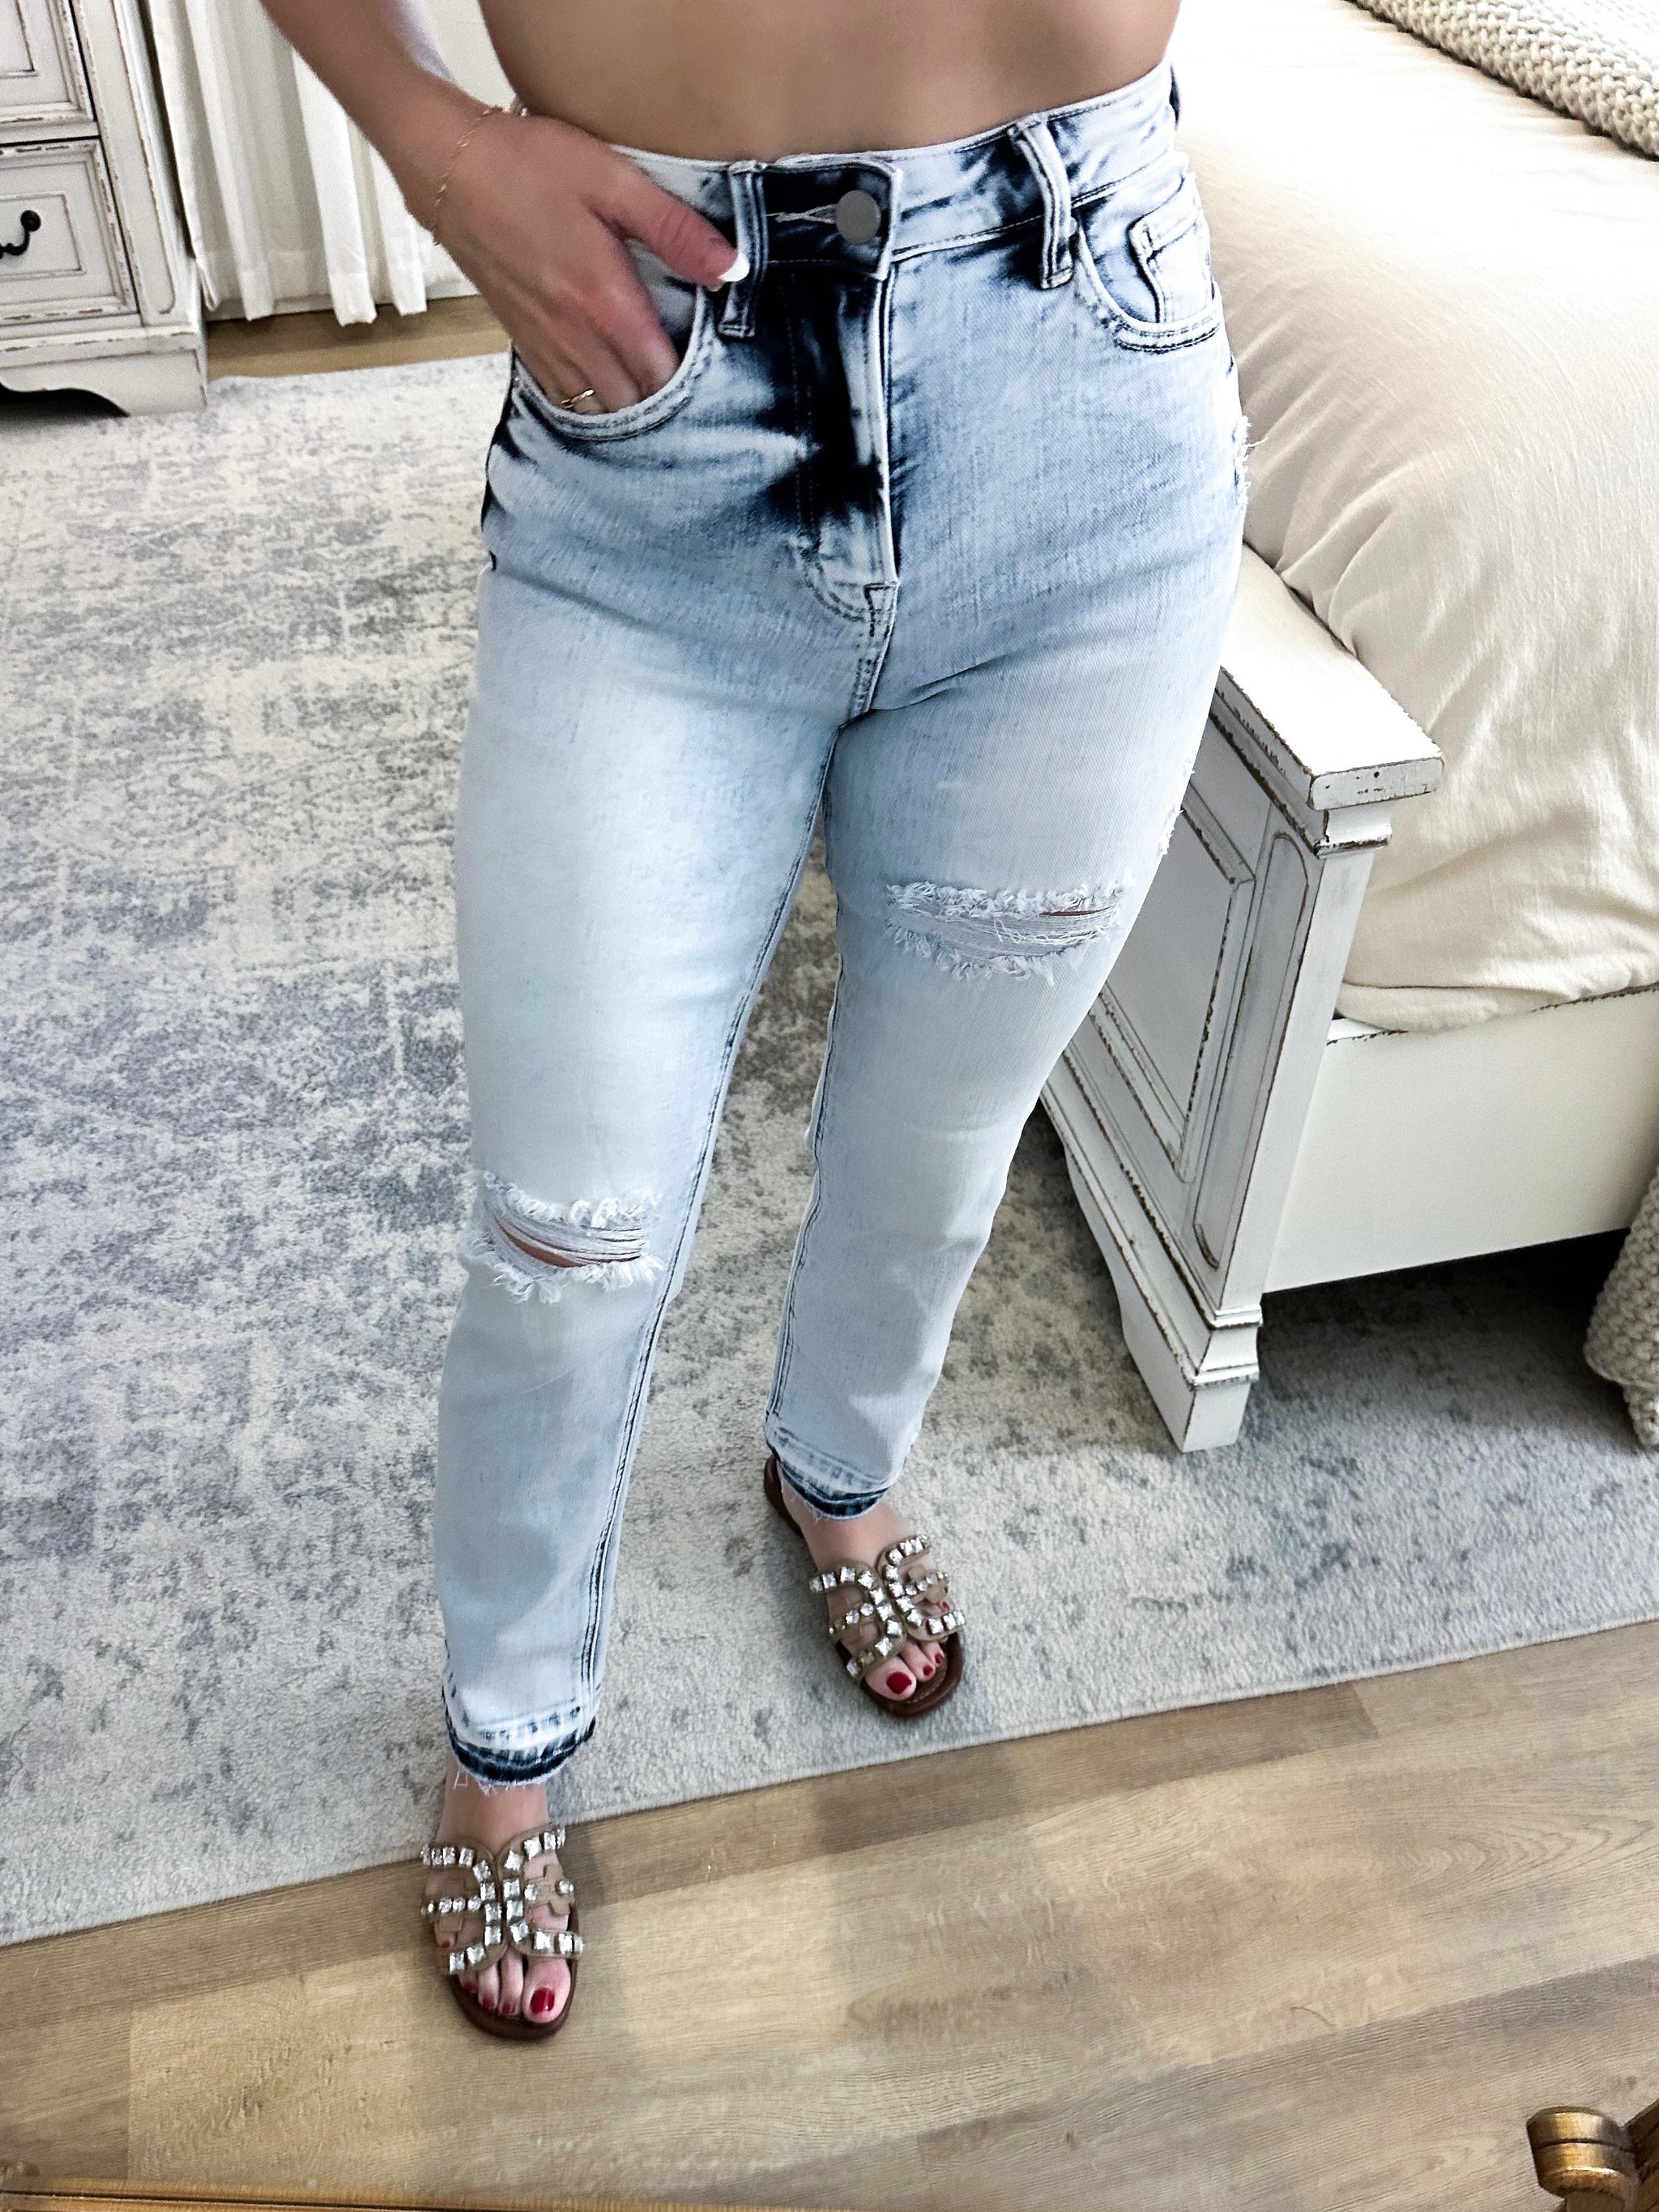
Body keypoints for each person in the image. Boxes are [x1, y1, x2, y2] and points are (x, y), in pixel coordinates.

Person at [261, 0, 1245, 2040]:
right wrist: (428, 137)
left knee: (941, 1127)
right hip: (653, 405)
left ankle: (836, 1468)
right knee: (568, 1226)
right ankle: (509, 1727)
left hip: (1087, 358)